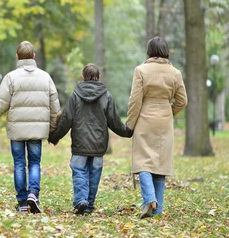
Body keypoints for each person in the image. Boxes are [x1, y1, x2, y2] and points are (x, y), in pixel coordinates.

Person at [0, 41, 60, 213]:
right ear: (34, 56)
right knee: (35, 162)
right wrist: (52, 129)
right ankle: (33, 194)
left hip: (17, 130)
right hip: (38, 130)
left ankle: (22, 201)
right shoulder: (45, 77)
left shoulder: (11, 78)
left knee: (19, 163)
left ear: (17, 57)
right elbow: (55, 108)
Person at [49, 63, 133, 215]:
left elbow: (66, 119)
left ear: (83, 77)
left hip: (80, 143)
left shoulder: (75, 95)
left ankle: (81, 200)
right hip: (98, 144)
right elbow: (114, 121)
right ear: (99, 77)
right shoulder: (106, 95)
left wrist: (54, 136)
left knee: (79, 171)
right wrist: (128, 132)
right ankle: (89, 205)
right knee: (94, 174)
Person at [126, 37, 187, 219]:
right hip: (165, 119)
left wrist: (130, 124)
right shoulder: (175, 73)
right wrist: (170, 111)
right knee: (160, 165)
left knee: (143, 161)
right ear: (166, 51)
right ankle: (157, 211)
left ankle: (149, 199)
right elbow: (182, 100)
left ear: (149, 51)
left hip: (145, 118)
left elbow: (135, 100)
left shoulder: (141, 70)